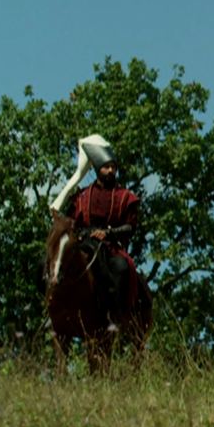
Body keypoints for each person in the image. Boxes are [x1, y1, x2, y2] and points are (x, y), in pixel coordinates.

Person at [49, 135, 140, 332]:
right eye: (106, 167)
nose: (111, 171)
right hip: (83, 242)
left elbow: (130, 227)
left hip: (111, 247)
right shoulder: (81, 196)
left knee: (122, 268)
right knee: (53, 262)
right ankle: (52, 311)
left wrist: (109, 234)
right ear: (98, 168)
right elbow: (71, 221)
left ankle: (114, 315)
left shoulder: (125, 197)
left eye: (113, 167)